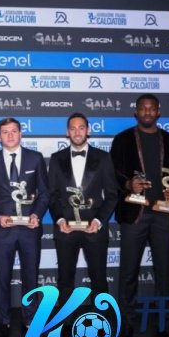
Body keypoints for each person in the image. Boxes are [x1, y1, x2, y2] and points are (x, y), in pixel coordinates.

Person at [110, 94, 169, 337]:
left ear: (158, 112)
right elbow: (113, 173)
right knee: (128, 273)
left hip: (163, 214)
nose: (147, 112)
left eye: (152, 108)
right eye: (143, 108)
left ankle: (164, 326)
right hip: (134, 214)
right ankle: (126, 324)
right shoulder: (122, 140)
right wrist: (129, 184)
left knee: (164, 274)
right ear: (136, 112)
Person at [0, 117, 49, 337]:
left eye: (14, 131)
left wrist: (37, 215)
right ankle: (3, 321)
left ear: (21, 133)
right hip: (4, 230)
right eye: (5, 132)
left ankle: (30, 321)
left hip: (29, 229)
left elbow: (44, 193)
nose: (10, 135)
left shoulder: (36, 158)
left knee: (31, 277)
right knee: (2, 277)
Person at [48, 113, 118, 309]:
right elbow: (51, 195)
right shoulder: (56, 159)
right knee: (65, 279)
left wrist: (98, 221)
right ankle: (66, 320)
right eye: (73, 128)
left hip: (94, 228)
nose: (77, 132)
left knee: (99, 279)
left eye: (81, 128)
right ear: (67, 132)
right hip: (65, 229)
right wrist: (60, 220)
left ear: (88, 130)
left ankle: (100, 318)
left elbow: (112, 195)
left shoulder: (103, 158)